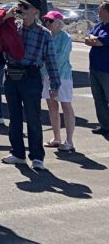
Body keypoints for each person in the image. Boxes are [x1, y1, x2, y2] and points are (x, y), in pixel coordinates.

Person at [1, 0, 59, 170]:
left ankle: (37, 156)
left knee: (33, 118)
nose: (22, 9)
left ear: (35, 11)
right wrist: (7, 16)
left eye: (26, 7)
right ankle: (18, 153)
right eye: (21, 6)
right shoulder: (12, 27)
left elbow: (51, 60)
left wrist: (55, 85)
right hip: (12, 74)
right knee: (14, 117)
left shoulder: (44, 34)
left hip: (31, 76)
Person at [41, 11, 75, 152]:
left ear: (59, 23)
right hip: (46, 76)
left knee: (66, 106)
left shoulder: (66, 38)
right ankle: (56, 138)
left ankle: (69, 140)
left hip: (62, 76)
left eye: (51, 21)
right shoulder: (45, 36)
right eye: (46, 21)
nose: (48, 23)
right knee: (52, 106)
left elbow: (61, 57)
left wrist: (49, 71)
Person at [84, 1, 109, 136]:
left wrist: (94, 39)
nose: (98, 12)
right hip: (94, 68)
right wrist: (93, 39)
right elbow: (87, 39)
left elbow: (98, 42)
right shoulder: (99, 26)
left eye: (101, 10)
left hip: (106, 70)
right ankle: (105, 125)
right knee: (99, 98)